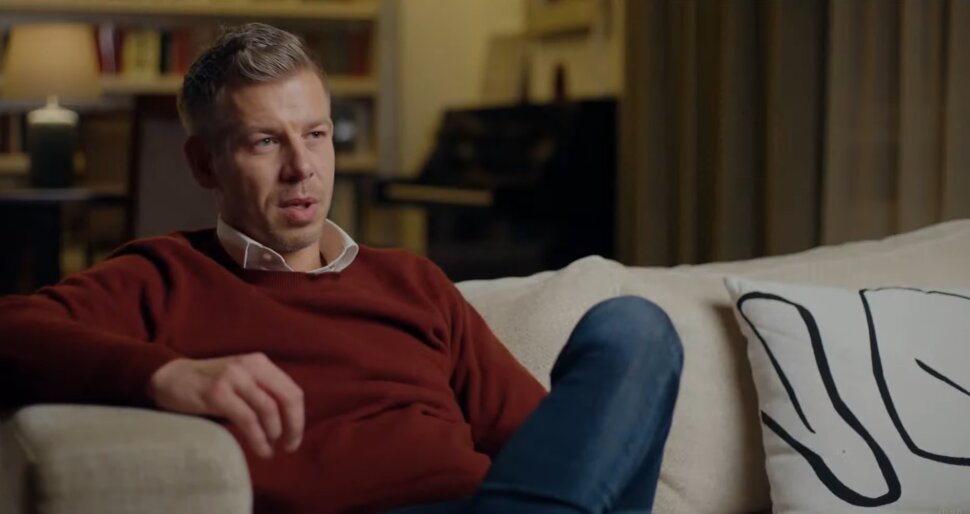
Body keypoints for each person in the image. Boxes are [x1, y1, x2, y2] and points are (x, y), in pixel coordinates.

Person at [0, 23, 683, 514]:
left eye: (317, 134)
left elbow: (551, 446)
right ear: (206, 163)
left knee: (634, 329)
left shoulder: (413, 282)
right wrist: (167, 375)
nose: (302, 167)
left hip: (490, 504)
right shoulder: (161, 277)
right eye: (266, 142)